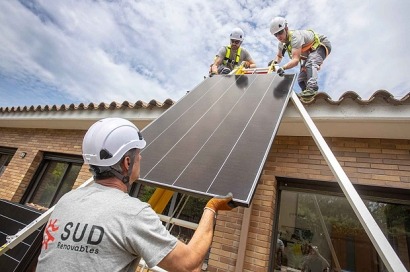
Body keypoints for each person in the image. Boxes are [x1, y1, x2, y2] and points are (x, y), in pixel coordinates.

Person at [36, 117, 236, 272]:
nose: (141, 158)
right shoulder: (132, 213)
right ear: (127, 163)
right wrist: (212, 207)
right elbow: (189, 265)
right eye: (138, 154)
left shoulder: (67, 200)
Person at [268, 17, 332, 98]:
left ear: (286, 28)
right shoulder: (281, 44)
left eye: (280, 32)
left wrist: (283, 68)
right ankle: (308, 96)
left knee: (311, 63)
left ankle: (312, 89)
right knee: (301, 79)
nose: (278, 36)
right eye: (276, 34)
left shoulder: (295, 37)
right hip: (310, 52)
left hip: (321, 44)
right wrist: (275, 62)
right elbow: (279, 56)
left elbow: (295, 60)